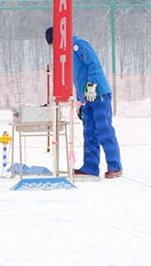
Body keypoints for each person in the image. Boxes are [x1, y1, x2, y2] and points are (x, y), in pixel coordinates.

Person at [45, 27, 122, 178]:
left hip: (99, 94)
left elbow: (94, 65)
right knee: (89, 133)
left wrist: (92, 85)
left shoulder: (78, 45)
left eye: (54, 44)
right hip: (86, 99)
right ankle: (90, 167)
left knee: (104, 130)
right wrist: (80, 102)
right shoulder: (65, 55)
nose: (55, 49)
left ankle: (115, 166)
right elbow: (78, 79)